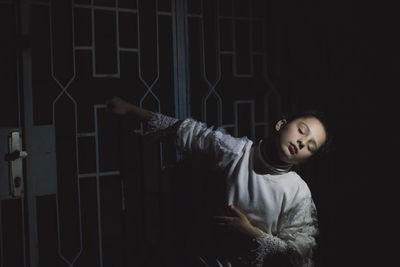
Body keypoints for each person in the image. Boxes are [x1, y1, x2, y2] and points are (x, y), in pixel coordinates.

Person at [106, 96, 331, 267]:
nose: (302, 143)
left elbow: (298, 254)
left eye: (310, 146)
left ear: (306, 159)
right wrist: (131, 109)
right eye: (302, 131)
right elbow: (186, 131)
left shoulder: (298, 192)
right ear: (281, 124)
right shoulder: (235, 151)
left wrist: (250, 232)